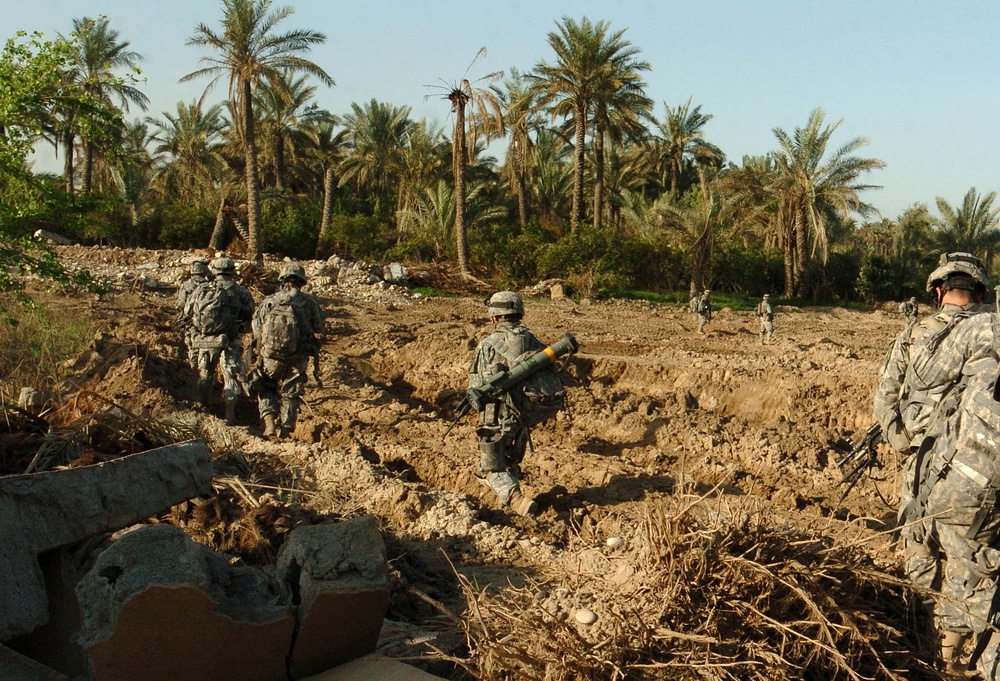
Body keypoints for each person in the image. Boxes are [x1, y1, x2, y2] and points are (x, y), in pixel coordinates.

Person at [872, 251, 992, 670]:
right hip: (976, 471)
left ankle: (921, 636)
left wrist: (904, 444)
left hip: (921, 468)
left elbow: (885, 401)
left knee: (919, 551)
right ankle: (956, 650)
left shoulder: (913, 335)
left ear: (939, 291)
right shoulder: (989, 332)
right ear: (978, 292)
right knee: (970, 559)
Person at [468, 291, 541, 516]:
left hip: (498, 414)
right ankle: (509, 494)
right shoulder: (532, 340)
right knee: (510, 457)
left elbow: (477, 384)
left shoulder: (488, 344)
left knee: (490, 466)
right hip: (525, 412)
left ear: (496, 316)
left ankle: (516, 501)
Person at [251, 262, 324, 439]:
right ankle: (285, 430)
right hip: (298, 356)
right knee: (290, 393)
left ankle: (269, 424)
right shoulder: (309, 303)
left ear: (283, 280)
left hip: (271, 355)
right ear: (302, 282)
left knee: (267, 387)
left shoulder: (270, 301)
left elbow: (257, 327)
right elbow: (319, 327)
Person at [184, 256, 255, 425]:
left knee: (205, 374)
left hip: (207, 340)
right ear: (232, 272)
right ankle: (230, 414)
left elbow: (187, 312)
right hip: (231, 339)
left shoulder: (202, 289)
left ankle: (205, 408)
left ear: (214, 272)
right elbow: (250, 312)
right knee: (231, 376)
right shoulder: (240, 291)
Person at [174, 258, 211, 369]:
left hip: (190, 320)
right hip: (207, 320)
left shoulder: (187, 285)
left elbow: (180, 304)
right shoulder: (209, 285)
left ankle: (193, 368)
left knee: (192, 345)